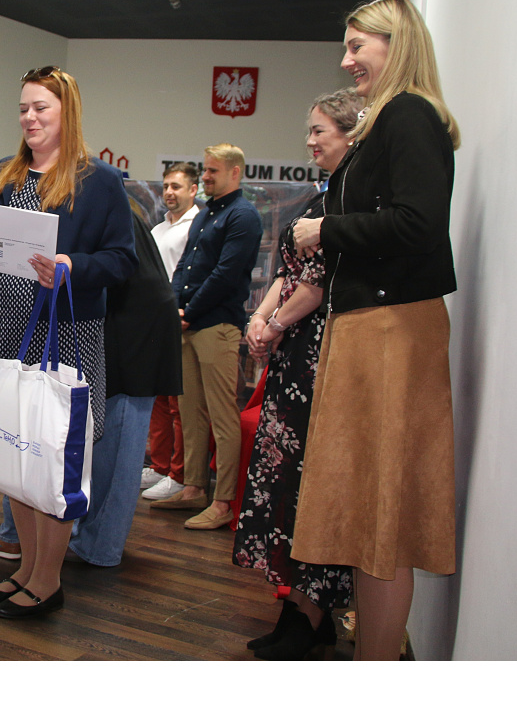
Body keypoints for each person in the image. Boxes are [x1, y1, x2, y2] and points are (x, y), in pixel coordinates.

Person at [0, 66, 136, 619]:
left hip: (63, 331)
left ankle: (48, 580)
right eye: (23, 109)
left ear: (67, 112)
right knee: (14, 450)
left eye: (41, 108)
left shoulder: (100, 181)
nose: (29, 118)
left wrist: (71, 266)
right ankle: (26, 568)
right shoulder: (4, 173)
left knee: (51, 456)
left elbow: (121, 259)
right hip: (5, 326)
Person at [291, 0, 460, 662]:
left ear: (398, 45)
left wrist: (326, 229)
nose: (347, 60)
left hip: (392, 329)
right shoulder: (388, 120)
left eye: (358, 45)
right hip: (370, 327)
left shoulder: (409, 114)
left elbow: (419, 223)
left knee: (383, 515)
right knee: (367, 515)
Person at [232, 88, 364, 660]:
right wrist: (259, 319)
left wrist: (275, 325)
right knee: (285, 482)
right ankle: (298, 609)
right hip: (292, 353)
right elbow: (288, 276)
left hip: (319, 357)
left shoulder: (350, 201)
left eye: (319, 131)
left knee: (310, 485)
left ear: (351, 134)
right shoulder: (320, 195)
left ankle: (311, 613)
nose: (309, 141)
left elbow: (317, 284)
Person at [0, 197, 182, 567]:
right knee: (93, 448)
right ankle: (79, 540)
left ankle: (97, 547)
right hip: (127, 329)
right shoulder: (113, 209)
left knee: (115, 453)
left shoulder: (97, 207)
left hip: (135, 336)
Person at [151, 144, 262, 530]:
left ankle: (223, 501)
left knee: (221, 415)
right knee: (190, 413)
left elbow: (226, 275)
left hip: (217, 326)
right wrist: (175, 309)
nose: (207, 177)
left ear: (235, 172)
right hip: (189, 324)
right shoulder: (206, 214)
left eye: (213, 171)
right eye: (206, 170)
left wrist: (189, 312)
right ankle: (194, 488)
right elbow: (184, 266)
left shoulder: (243, 215)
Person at [140, 161, 202, 502]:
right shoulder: (157, 229)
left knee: (180, 403)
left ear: (193, 190)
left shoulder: (198, 226)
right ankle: (160, 466)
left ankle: (179, 474)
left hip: (181, 320)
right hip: (154, 321)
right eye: (165, 186)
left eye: (176, 186)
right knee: (158, 399)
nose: (168, 192)